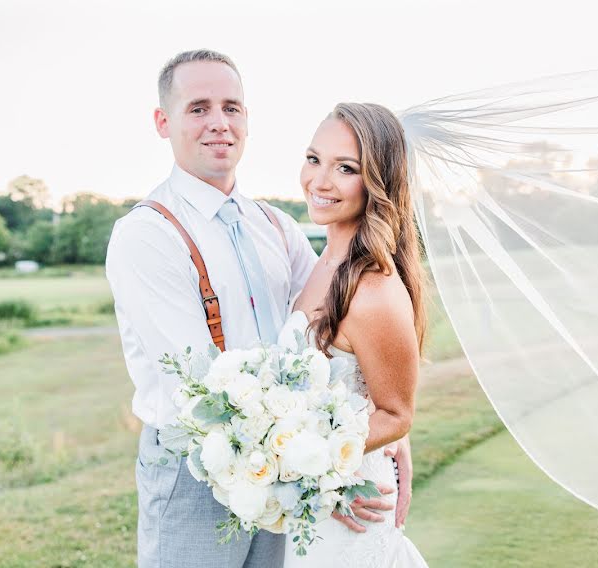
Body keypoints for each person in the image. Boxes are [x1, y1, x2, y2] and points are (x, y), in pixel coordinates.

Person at [105, 50, 412, 568]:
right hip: (194, 474)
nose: (219, 123)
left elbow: (342, 332)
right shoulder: (148, 234)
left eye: (232, 107)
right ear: (164, 122)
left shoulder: (275, 227)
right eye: (198, 108)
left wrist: (376, 439)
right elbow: (199, 390)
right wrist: (324, 463)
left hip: (287, 469)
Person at [278, 103, 429, 567]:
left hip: (352, 509)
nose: (319, 181)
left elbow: (396, 413)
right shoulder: (322, 262)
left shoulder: (374, 290)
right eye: (313, 159)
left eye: (345, 168)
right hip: (316, 503)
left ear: (377, 184)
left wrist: (306, 461)